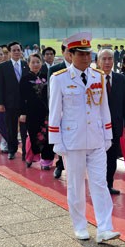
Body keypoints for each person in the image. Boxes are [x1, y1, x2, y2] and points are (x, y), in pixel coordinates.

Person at [48, 32, 120, 243]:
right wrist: (57, 141)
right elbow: (55, 112)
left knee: (100, 184)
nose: (86, 58)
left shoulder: (98, 76)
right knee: (76, 186)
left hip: (96, 139)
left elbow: (103, 108)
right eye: (81, 54)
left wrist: (108, 135)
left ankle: (105, 228)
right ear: (70, 55)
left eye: (88, 54)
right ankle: (80, 226)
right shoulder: (59, 79)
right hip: (72, 141)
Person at [97, 49, 125, 195]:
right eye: (103, 59)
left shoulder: (120, 79)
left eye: (110, 59)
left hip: (115, 127)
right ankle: (98, 185)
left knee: (112, 158)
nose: (107, 62)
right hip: (97, 128)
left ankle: (109, 184)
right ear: (98, 62)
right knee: (97, 159)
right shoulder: (92, 79)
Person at [20, 53, 55, 170]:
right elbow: (21, 98)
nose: (35, 65)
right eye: (33, 62)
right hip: (31, 113)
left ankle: (46, 161)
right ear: (28, 64)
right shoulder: (24, 79)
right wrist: (22, 113)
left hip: (46, 113)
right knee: (33, 135)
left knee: (47, 136)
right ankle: (30, 157)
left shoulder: (47, 76)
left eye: (38, 62)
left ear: (41, 63)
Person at [0, 41, 30, 160]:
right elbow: (0, 86)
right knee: (11, 128)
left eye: (18, 50)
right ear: (10, 52)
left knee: (25, 128)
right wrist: (0, 103)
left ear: (21, 51)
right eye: (14, 50)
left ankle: (26, 152)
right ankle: (12, 149)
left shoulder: (26, 65)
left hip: (25, 103)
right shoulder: (2, 67)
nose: (16, 52)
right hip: (9, 103)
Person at [47, 43, 73, 179]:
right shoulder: (55, 70)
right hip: (61, 115)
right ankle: (59, 167)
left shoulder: (84, 69)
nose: (71, 54)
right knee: (61, 147)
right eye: (69, 51)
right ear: (63, 52)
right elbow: (51, 94)